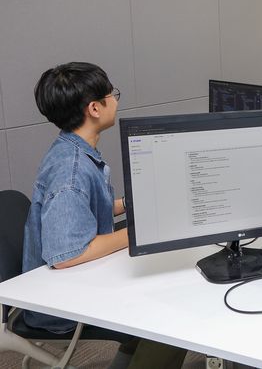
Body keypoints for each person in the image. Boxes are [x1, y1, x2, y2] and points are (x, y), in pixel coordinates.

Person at [23, 62, 187, 368]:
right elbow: (67, 254)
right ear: (95, 108)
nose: (116, 100)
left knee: (162, 286)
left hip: (79, 282)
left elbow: (81, 210)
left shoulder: (71, 149)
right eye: (112, 95)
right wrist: (139, 232)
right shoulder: (71, 170)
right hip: (59, 305)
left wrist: (130, 203)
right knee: (174, 314)